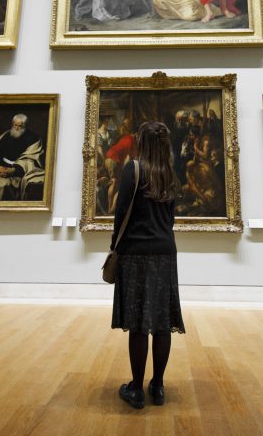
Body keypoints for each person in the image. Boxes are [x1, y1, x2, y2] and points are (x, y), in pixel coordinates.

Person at [110, 121, 185, 410]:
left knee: (139, 324)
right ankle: (158, 386)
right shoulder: (169, 173)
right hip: (165, 251)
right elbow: (171, 217)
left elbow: (121, 212)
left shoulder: (134, 169)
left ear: (142, 142)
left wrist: (115, 245)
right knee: (162, 322)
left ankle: (136, 389)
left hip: (136, 252)